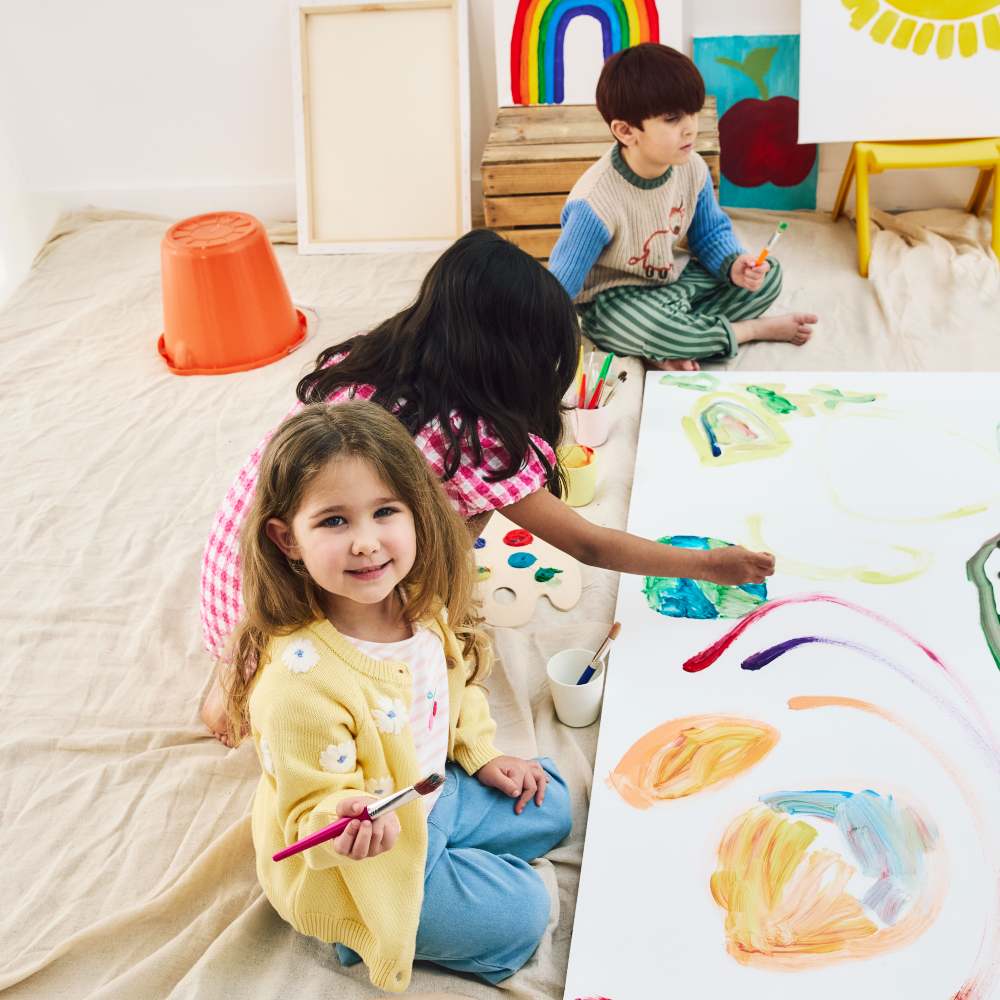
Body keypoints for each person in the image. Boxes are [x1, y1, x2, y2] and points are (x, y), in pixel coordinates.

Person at [201, 229, 774, 741]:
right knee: (462, 533)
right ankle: (257, 682)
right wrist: (707, 565)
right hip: (314, 629)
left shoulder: (367, 359)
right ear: (513, 360)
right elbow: (590, 544)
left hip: (247, 582)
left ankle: (237, 671)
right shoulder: (472, 444)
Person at [225, 400, 572, 992]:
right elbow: (309, 809)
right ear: (287, 540)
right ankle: (355, 928)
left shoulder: (421, 604)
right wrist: (342, 826)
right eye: (333, 521)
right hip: (359, 858)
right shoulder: (297, 687)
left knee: (554, 801)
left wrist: (482, 754)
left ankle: (449, 861)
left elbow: (453, 690)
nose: (366, 542)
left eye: (384, 511)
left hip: (430, 787)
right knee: (523, 914)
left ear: (417, 513)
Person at [548, 43, 818, 372]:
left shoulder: (691, 167)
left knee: (768, 276)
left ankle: (669, 340)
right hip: (617, 298)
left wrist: (734, 266)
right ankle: (749, 331)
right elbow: (561, 285)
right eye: (673, 119)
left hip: (673, 279)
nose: (690, 127)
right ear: (626, 131)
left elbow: (710, 232)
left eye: (693, 112)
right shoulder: (595, 201)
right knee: (633, 324)